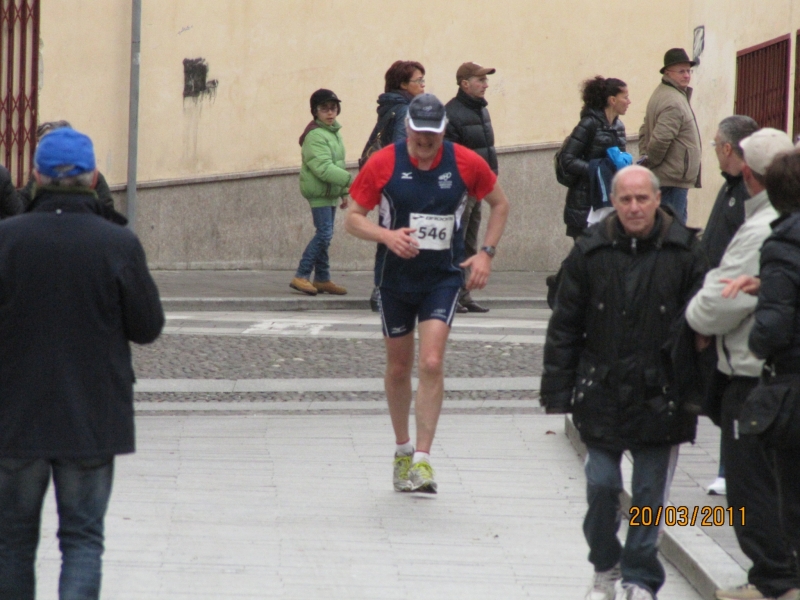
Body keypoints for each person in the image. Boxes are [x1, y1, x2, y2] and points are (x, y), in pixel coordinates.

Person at [0, 127, 164, 599]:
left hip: (14, 415)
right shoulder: (116, 243)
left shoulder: (6, 240)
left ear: (34, 176)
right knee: (82, 542)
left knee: (11, 544)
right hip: (91, 414)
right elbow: (148, 326)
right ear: (93, 177)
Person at [541, 165, 707, 600]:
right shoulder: (589, 251)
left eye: (642, 199)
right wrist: (559, 390)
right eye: (625, 199)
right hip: (601, 389)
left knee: (650, 497)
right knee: (601, 486)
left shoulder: (686, 252)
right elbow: (564, 325)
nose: (634, 207)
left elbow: (702, 331)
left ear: (658, 200)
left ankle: (639, 578)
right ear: (613, 203)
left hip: (661, 394)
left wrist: (699, 395)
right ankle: (605, 565)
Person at [345, 94, 510, 494]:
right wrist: (386, 235)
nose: (425, 141)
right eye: (418, 133)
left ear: (442, 132)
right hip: (395, 279)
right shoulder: (383, 162)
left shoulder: (466, 162)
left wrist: (485, 254)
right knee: (400, 367)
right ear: (408, 130)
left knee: (432, 360)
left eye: (432, 135)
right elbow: (352, 218)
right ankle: (402, 450)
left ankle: (423, 460)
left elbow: (500, 204)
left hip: (443, 276)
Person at [685, 127, 798, 600]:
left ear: (752, 176)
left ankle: (775, 580)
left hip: (761, 377)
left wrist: (705, 314)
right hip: (770, 378)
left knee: (754, 487)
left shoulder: (766, 230)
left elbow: (711, 306)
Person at [700, 115, 758, 497]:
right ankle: (729, 465)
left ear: (726, 148)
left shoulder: (750, 193)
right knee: (721, 393)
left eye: (717, 144)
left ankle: (730, 468)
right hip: (722, 301)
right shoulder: (729, 188)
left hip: (738, 308)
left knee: (735, 393)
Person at [365, 60, 427, 311]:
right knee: (398, 239)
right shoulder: (404, 110)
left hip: (389, 183)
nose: (423, 85)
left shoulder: (390, 106)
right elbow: (404, 151)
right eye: (419, 80)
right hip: (401, 184)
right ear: (403, 84)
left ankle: (383, 289)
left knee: (390, 239)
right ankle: (383, 291)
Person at [445, 61, 498, 313]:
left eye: (486, 81)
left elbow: (486, 151)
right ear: (465, 84)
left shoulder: (480, 110)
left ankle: (463, 294)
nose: (486, 85)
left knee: (469, 242)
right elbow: (451, 156)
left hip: (479, 190)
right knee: (455, 241)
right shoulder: (452, 113)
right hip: (462, 191)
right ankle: (451, 293)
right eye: (481, 80)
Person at [290, 89, 352, 296]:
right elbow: (323, 168)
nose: (330, 113)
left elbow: (339, 164)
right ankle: (301, 274)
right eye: (324, 109)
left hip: (329, 192)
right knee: (324, 234)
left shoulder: (333, 132)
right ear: (315, 112)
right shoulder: (315, 135)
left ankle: (323, 278)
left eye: (333, 108)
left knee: (326, 234)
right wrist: (351, 182)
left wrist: (343, 191)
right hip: (318, 191)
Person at [561, 76, 630, 238]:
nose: (629, 102)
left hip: (609, 203)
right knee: (585, 258)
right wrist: (598, 169)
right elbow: (567, 159)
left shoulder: (619, 126)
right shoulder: (588, 124)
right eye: (625, 97)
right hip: (585, 203)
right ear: (613, 100)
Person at [638, 48, 702, 224]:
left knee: (665, 228)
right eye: (681, 71)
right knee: (672, 232)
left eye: (688, 71)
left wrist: (646, 157)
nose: (687, 75)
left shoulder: (665, 94)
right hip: (671, 178)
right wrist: (649, 161)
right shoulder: (673, 100)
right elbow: (660, 139)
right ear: (668, 73)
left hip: (669, 176)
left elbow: (644, 129)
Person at [18, 120, 115, 212]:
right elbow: (22, 202)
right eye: (40, 142)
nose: (39, 147)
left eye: (48, 143)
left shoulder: (90, 176)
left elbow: (106, 208)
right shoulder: (40, 175)